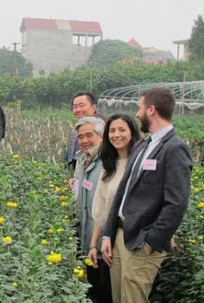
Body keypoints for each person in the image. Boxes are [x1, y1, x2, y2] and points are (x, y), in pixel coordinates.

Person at [101, 87, 193, 303]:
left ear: (151, 110)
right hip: (120, 238)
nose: (137, 113)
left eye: (139, 107)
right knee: (118, 298)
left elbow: (177, 203)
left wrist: (151, 241)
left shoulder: (174, 148)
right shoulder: (143, 145)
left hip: (142, 244)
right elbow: (123, 192)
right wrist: (108, 233)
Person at [86, 114, 140, 302]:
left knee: (133, 295)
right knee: (116, 295)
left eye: (122, 130)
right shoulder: (108, 167)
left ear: (132, 133)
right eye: (112, 130)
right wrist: (94, 246)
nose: (116, 135)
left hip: (136, 240)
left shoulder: (141, 165)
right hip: (113, 239)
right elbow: (101, 212)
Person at [73, 116, 109, 302]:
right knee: (93, 289)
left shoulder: (107, 162)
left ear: (101, 136)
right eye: (80, 137)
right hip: (88, 239)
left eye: (89, 135)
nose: (85, 140)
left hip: (104, 243)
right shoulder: (83, 160)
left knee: (104, 292)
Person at [65, 92, 105, 170]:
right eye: (75, 107)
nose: (78, 110)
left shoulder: (102, 126)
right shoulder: (76, 129)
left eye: (81, 105)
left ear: (93, 108)